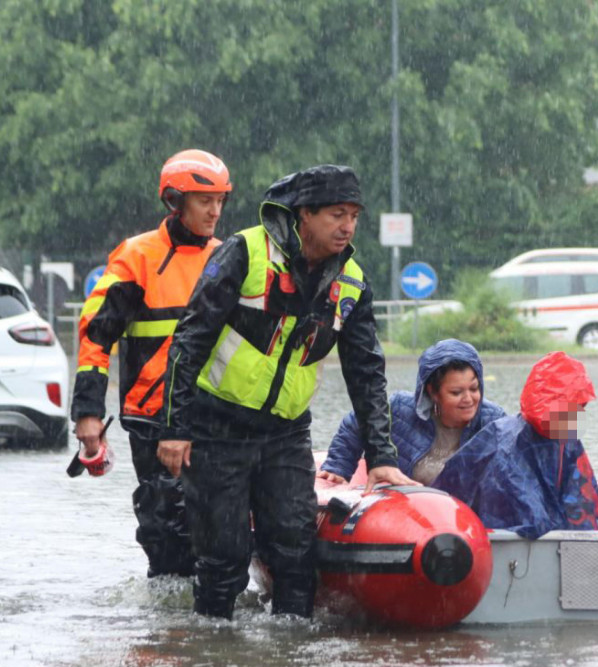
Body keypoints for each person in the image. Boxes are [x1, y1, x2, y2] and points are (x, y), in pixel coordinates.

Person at [157, 164, 415, 620]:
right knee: (224, 560)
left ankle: (291, 655)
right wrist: (174, 428)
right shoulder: (245, 252)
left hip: (286, 434)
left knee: (296, 554)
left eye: (354, 215)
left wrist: (382, 458)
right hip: (217, 427)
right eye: (337, 214)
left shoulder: (351, 280)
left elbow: (366, 373)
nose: (348, 226)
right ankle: (211, 656)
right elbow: (189, 340)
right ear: (304, 215)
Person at [71, 149, 231, 578]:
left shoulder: (227, 258)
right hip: (151, 419)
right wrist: (87, 413)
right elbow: (95, 334)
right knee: (166, 527)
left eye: (221, 200)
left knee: (218, 528)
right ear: (174, 202)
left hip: (213, 415)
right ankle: (168, 627)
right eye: (205, 201)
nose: (215, 211)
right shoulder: (136, 256)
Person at [434, 351, 598, 539]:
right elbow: (529, 516)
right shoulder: (508, 442)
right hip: (490, 538)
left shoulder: (567, 438)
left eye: (579, 408)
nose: (577, 414)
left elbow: (582, 501)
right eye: (574, 408)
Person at [317, 338, 505, 484]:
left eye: (474, 388)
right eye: (456, 392)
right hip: (405, 516)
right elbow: (356, 423)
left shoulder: (494, 421)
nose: (468, 399)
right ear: (432, 392)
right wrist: (338, 467)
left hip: (466, 520)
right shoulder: (399, 408)